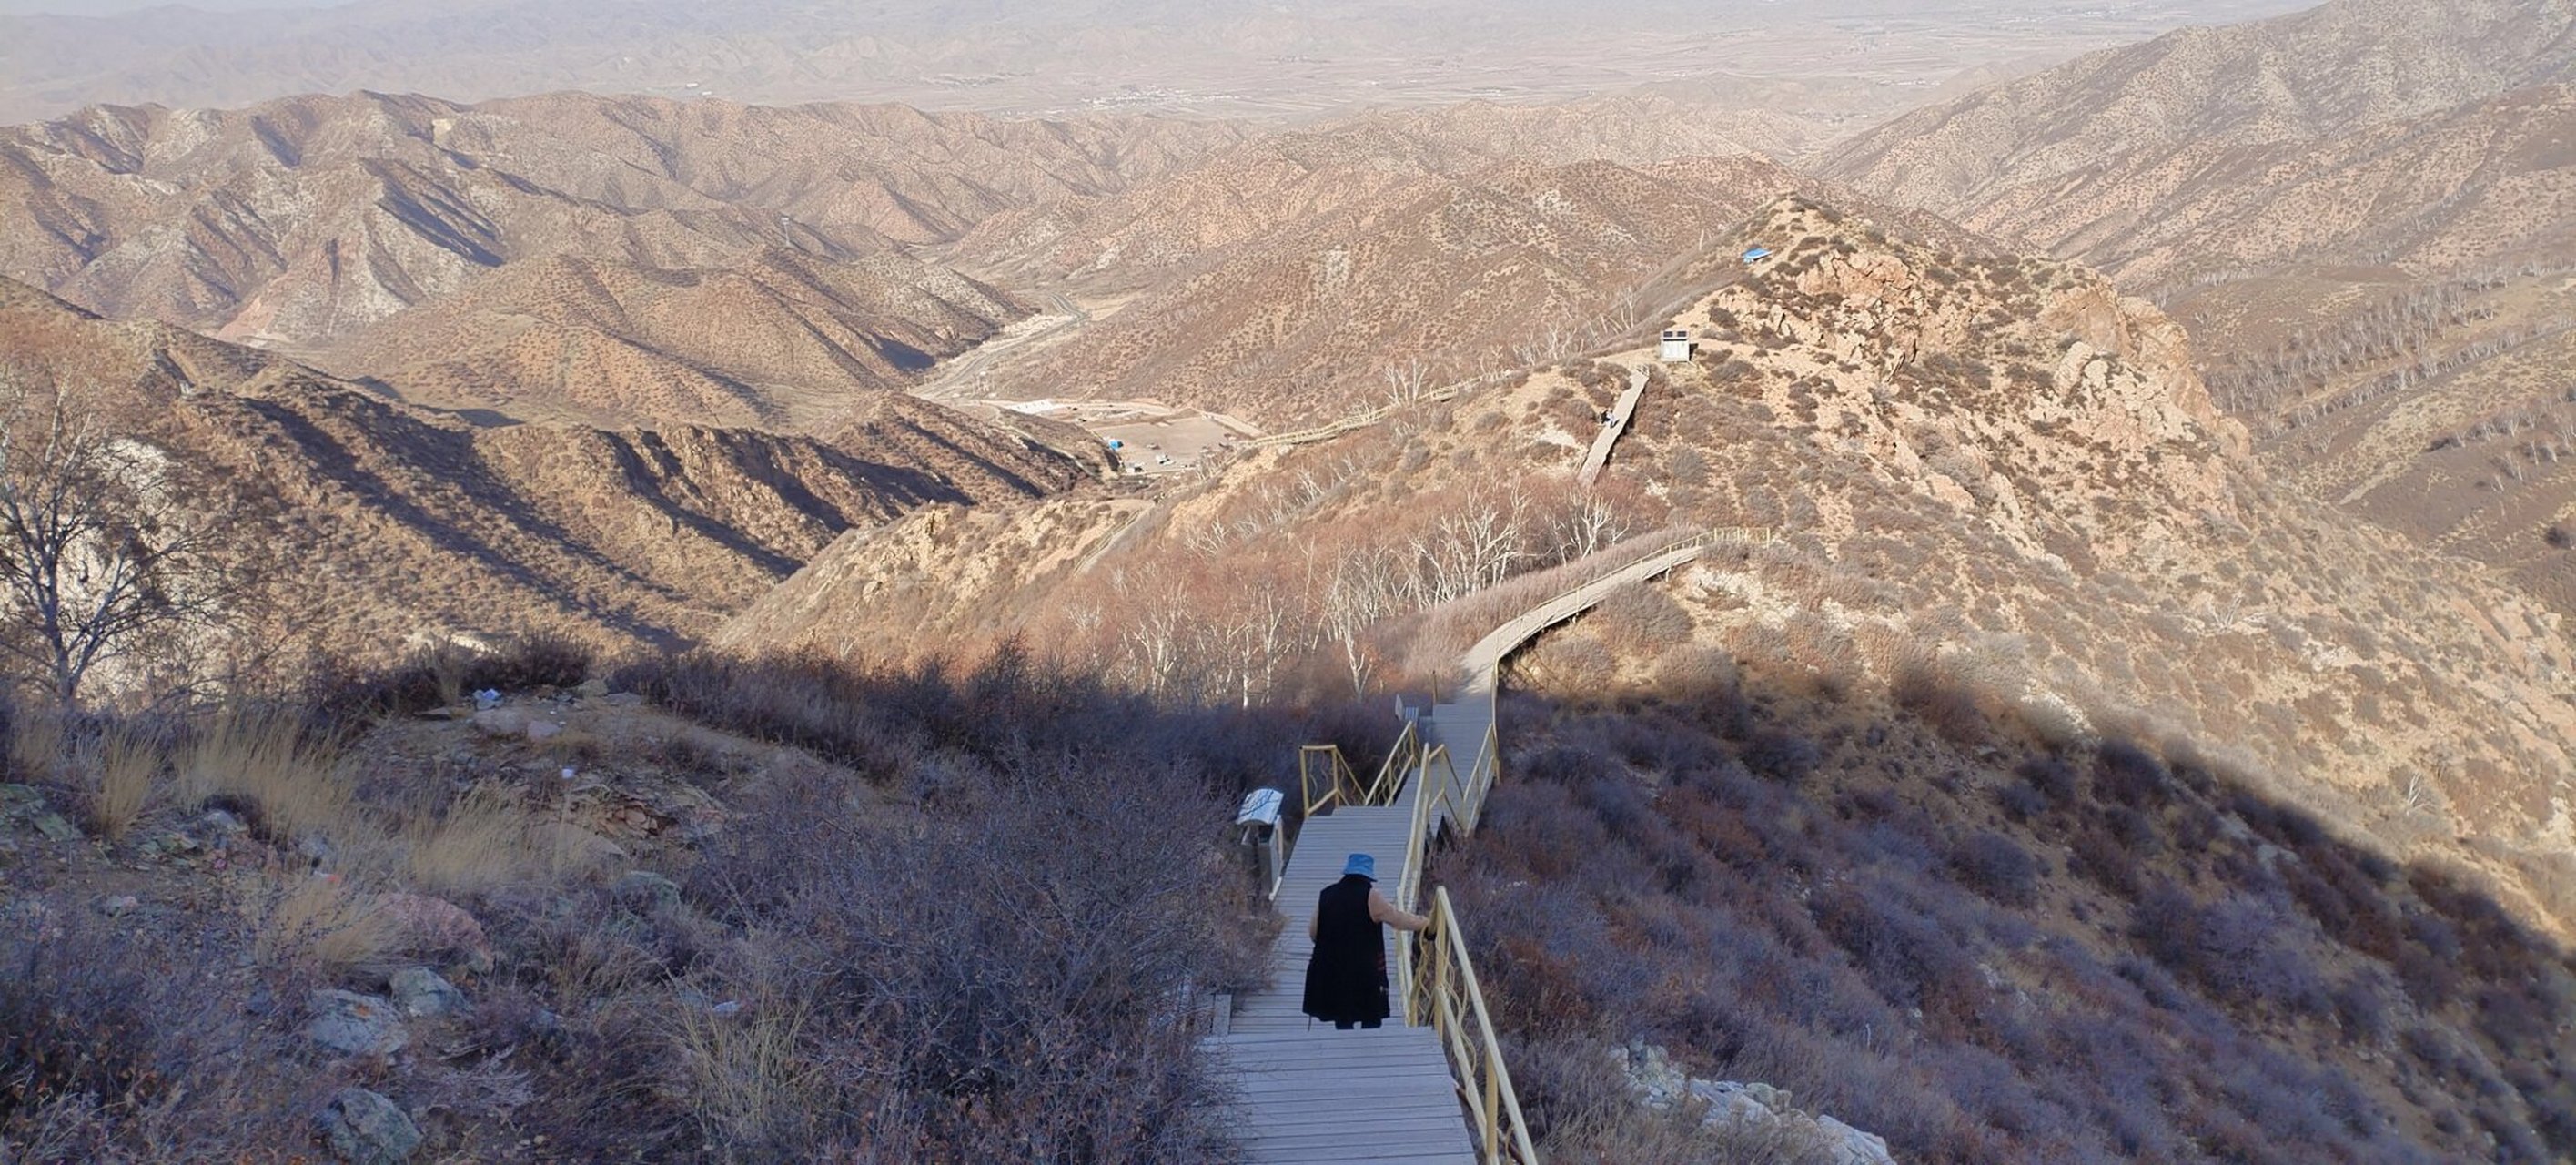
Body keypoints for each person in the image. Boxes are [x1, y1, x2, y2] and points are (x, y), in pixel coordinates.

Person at [1301, 853, 1430, 1030]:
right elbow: (1398, 919)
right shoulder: (1371, 896)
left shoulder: (1326, 894)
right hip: (1364, 968)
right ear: (1368, 876)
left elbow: (1313, 932)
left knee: (1343, 1016)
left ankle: (1345, 1048)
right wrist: (1424, 923)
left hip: (1333, 966)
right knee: (1370, 1015)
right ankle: (1369, 1050)